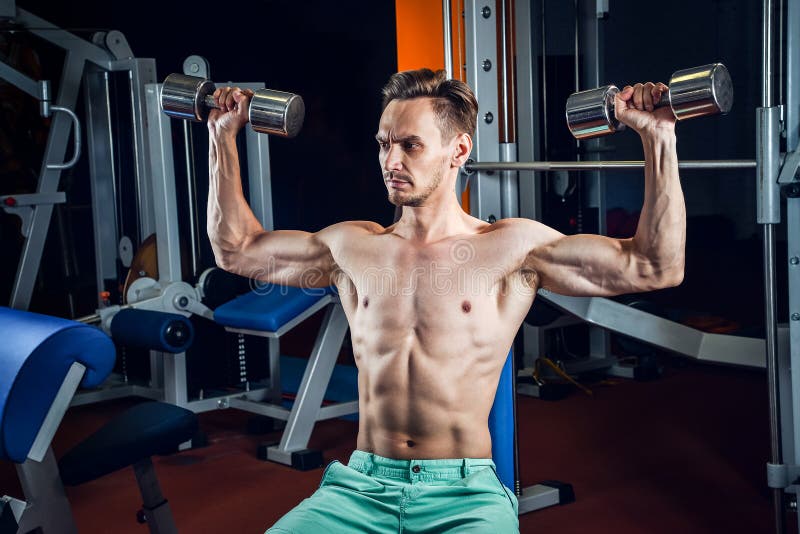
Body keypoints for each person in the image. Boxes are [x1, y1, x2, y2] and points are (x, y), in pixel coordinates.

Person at [207, 68, 685, 534]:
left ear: (458, 150)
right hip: (360, 489)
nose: (391, 162)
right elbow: (237, 250)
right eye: (383, 144)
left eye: (410, 146)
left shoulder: (512, 249)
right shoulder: (351, 247)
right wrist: (221, 135)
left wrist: (657, 137)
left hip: (464, 497)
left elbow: (653, 267)